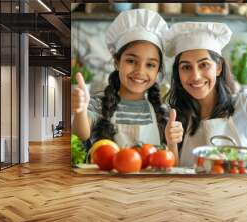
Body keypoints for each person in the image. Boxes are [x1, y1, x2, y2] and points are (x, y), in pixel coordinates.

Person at [164, 22, 247, 167]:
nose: (195, 76)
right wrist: (171, 144)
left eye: (204, 65)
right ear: (178, 73)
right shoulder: (175, 116)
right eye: (186, 67)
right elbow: (176, 178)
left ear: (218, 68)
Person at [72, 9, 182, 160]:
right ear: (117, 62)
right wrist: (80, 110)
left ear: (158, 70)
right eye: (131, 61)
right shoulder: (98, 104)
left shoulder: (164, 112)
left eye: (150, 64)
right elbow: (81, 134)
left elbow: (171, 163)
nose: (140, 71)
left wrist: (172, 142)